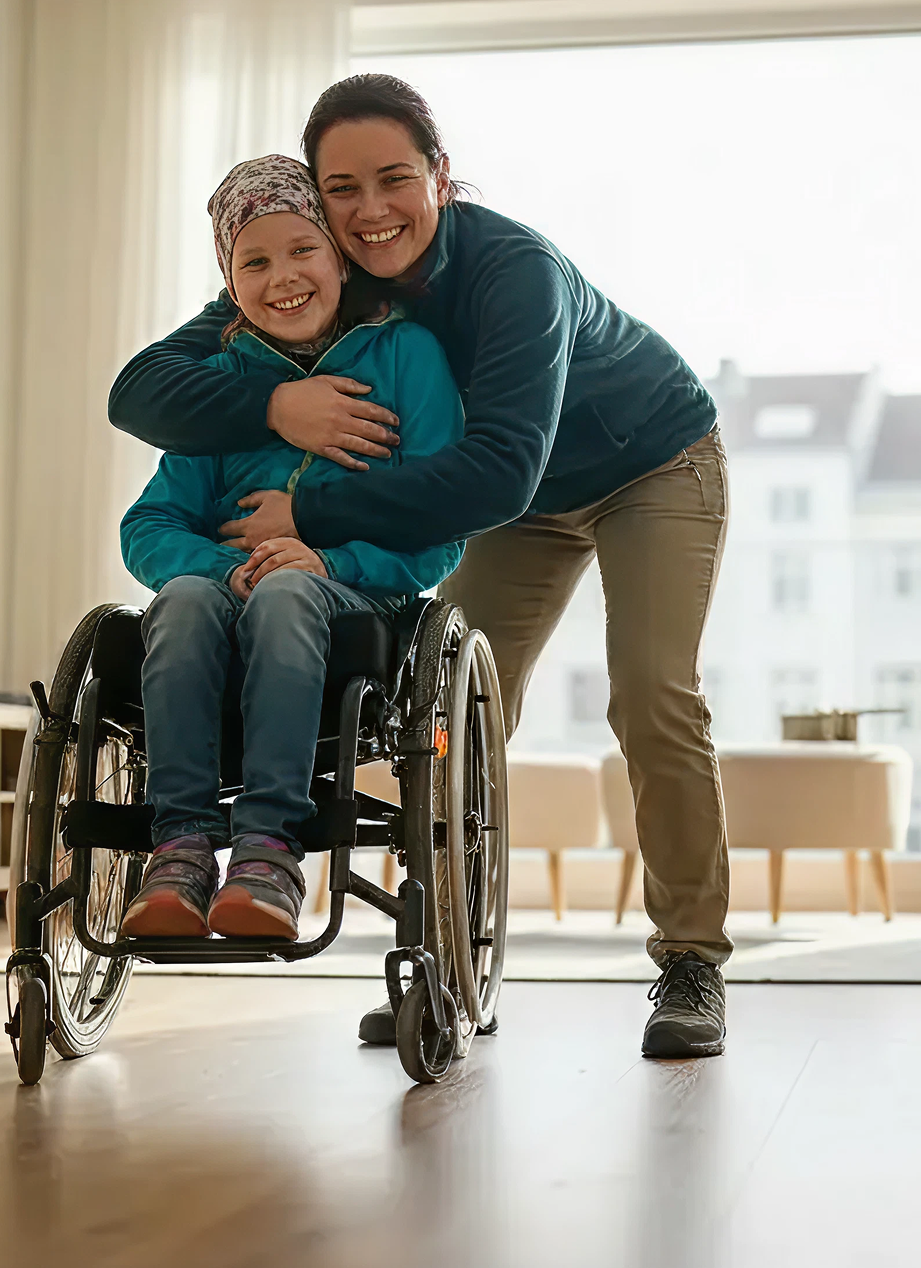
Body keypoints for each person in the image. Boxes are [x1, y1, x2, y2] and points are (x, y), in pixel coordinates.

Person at [109, 76, 731, 1061]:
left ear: (441, 176)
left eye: (394, 179)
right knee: (446, 712)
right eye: (341, 188)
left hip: (642, 462)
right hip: (495, 492)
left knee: (650, 691)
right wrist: (276, 410)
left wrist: (307, 509)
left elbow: (494, 473)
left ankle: (692, 956)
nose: (369, 211)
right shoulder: (322, 266)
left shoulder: (511, 270)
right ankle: (442, 957)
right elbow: (143, 389)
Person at [118, 153, 464, 943]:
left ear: (340, 258)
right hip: (226, 596)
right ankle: (178, 847)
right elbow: (149, 527)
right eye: (255, 261)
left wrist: (329, 561)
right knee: (181, 596)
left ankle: (268, 850)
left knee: (286, 592)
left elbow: (439, 528)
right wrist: (224, 567)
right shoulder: (221, 381)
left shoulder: (407, 358)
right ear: (230, 285)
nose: (283, 276)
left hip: (354, 598)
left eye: (303, 249)